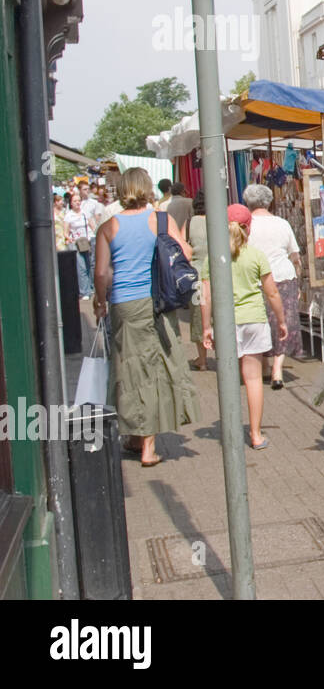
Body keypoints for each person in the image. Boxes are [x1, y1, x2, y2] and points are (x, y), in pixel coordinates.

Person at [92, 168, 198, 467]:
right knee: (154, 366)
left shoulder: (108, 226)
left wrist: (100, 302)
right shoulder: (161, 220)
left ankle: (135, 435)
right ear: (148, 188)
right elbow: (185, 254)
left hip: (122, 304)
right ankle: (148, 446)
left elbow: (101, 273)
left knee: (129, 369)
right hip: (156, 301)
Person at [201, 204, 288, 450]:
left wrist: (206, 327)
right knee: (253, 380)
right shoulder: (256, 255)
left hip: (226, 322)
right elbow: (272, 293)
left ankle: (230, 435)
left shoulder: (213, 257)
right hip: (254, 320)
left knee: (228, 379)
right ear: (248, 227)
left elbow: (205, 296)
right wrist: (281, 320)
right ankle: (256, 434)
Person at [243, 183, 301, 389]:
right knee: (283, 320)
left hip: (256, 279)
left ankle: (266, 366)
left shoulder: (246, 225)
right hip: (283, 276)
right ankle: (278, 368)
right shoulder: (282, 223)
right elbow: (294, 254)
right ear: (269, 201)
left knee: (262, 322)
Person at [187, 192, 210, 371]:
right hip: (218, 273)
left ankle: (202, 360)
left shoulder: (190, 222)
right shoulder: (220, 219)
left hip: (196, 273)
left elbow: (185, 248)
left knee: (198, 315)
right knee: (219, 313)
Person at [65, 190, 98, 298]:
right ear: (71, 203)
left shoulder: (85, 213)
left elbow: (92, 225)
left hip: (87, 242)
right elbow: (66, 231)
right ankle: (84, 291)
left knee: (89, 265)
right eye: (75, 201)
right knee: (81, 267)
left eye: (79, 201)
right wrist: (69, 238)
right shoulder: (69, 215)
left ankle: (91, 288)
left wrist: (96, 235)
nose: (77, 203)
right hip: (76, 243)